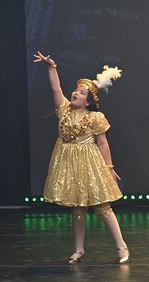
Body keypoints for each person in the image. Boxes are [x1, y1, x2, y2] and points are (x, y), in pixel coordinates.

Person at [33, 51, 129, 264]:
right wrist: (51, 67)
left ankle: (121, 246)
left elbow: (102, 143)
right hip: (68, 162)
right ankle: (79, 249)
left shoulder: (95, 117)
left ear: (88, 101)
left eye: (81, 92)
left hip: (89, 162)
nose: (76, 93)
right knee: (77, 207)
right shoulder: (64, 109)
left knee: (102, 206)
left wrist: (109, 167)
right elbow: (56, 88)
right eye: (76, 90)